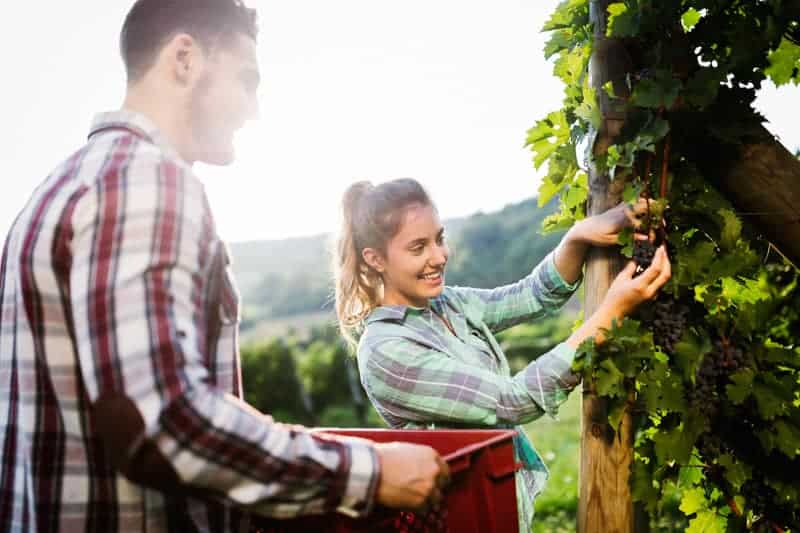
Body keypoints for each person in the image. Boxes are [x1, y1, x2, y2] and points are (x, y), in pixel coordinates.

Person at [0, 2, 448, 532]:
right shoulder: (146, 180)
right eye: (246, 80)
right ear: (185, 58)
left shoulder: (56, 189)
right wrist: (368, 474)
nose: (252, 109)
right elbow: (162, 420)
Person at [333, 178, 671, 532]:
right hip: (459, 519)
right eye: (418, 247)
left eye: (439, 239)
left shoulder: (446, 304)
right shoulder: (388, 352)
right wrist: (607, 316)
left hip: (496, 506)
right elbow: (512, 401)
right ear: (375, 259)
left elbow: (530, 296)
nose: (439, 256)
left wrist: (577, 236)